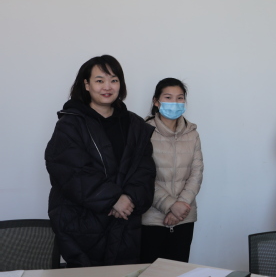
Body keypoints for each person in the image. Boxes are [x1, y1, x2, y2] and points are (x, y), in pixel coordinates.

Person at [45, 55, 156, 267]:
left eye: (114, 80)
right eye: (99, 80)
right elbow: (71, 171)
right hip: (82, 223)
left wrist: (129, 199)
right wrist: (113, 199)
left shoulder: (135, 125)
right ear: (86, 85)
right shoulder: (70, 124)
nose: (107, 87)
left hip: (125, 222)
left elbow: (145, 169)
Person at [141, 78, 204, 263]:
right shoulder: (143, 132)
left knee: (178, 270)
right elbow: (142, 177)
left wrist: (181, 206)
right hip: (151, 217)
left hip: (185, 217)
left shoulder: (193, 134)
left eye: (180, 98)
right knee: (149, 272)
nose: (174, 103)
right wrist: (171, 205)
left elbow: (197, 173)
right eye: (168, 97)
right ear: (156, 101)